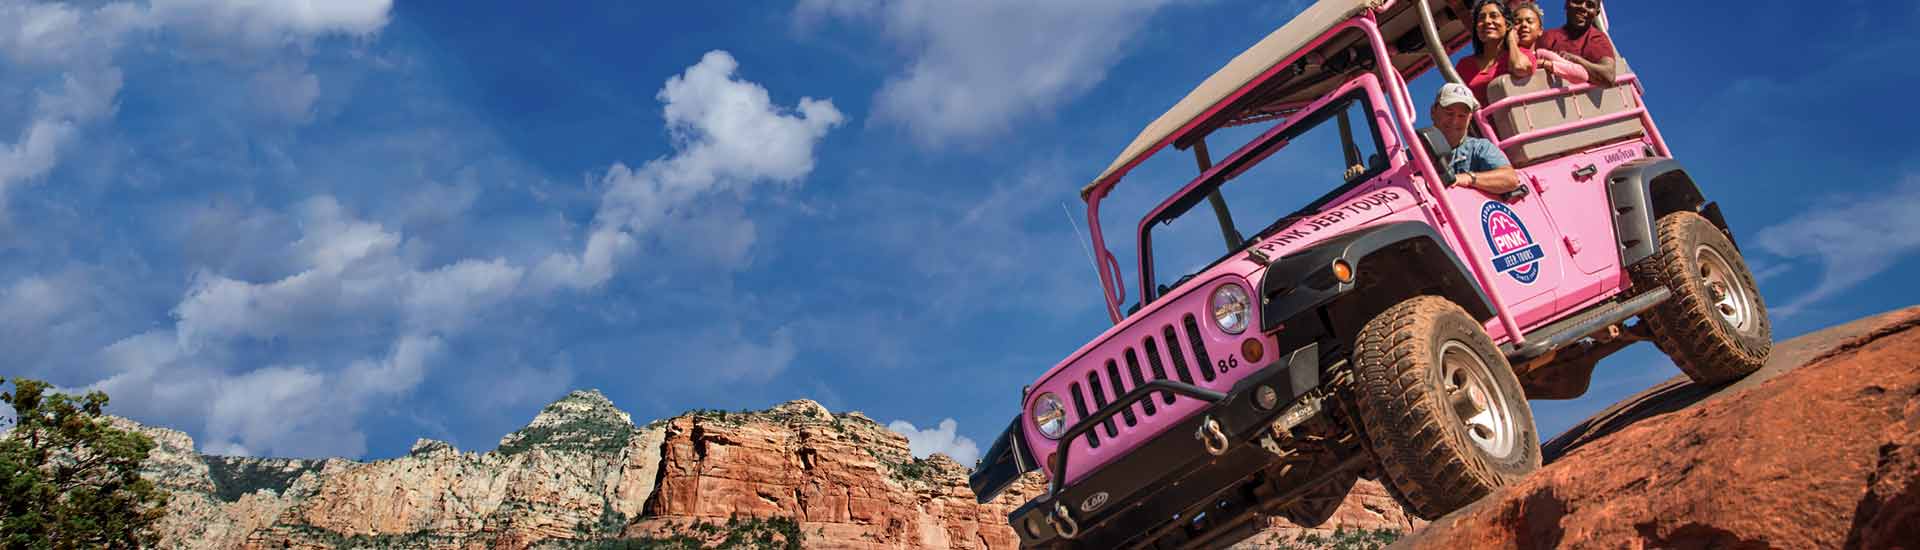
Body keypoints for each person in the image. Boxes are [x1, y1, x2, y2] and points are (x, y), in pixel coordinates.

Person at [1429, 83, 1519, 194]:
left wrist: (1468, 178)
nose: (1454, 121)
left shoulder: (1480, 147)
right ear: (1433, 112)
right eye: (1449, 113)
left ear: (1470, 118)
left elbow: (1511, 179)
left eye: (1462, 115)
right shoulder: (1413, 153)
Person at [1453, 0, 1533, 105]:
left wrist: (1511, 40)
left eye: (1494, 16)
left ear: (1507, 24)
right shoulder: (1464, 65)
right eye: (1481, 18)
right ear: (1476, 28)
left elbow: (1521, 68)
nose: (1487, 21)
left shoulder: (1523, 55)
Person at [1537, 0, 1618, 85]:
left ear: (1596, 13)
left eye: (1590, 5)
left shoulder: (1597, 39)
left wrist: (1576, 60)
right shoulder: (1547, 37)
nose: (1583, 7)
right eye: (1577, 1)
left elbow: (1608, 76)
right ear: (1566, 4)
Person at [1510, 2, 1590, 84]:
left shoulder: (1540, 55)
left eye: (1529, 21)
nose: (1524, 25)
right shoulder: (1504, 55)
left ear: (1540, 31)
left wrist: (1545, 63)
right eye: (1517, 22)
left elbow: (1582, 74)